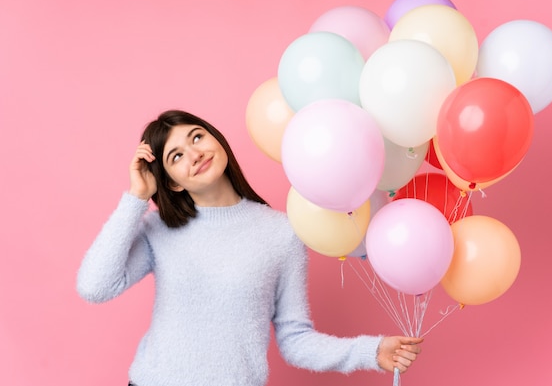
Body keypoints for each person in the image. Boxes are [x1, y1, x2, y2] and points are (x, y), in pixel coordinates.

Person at [76, 109, 423, 386]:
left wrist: (370, 351)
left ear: (217, 139)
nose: (194, 154)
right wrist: (136, 198)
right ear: (171, 183)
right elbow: (94, 286)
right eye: (176, 156)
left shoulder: (282, 232)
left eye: (197, 136)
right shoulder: (159, 228)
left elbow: (295, 339)